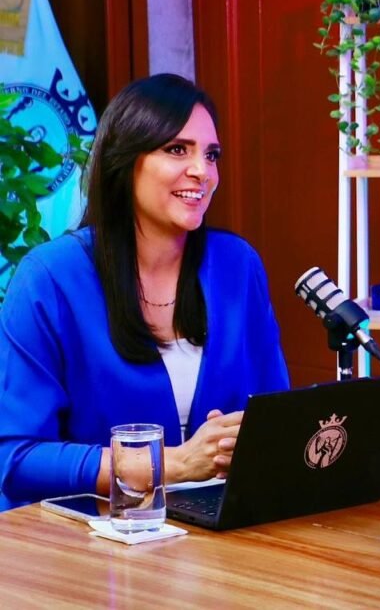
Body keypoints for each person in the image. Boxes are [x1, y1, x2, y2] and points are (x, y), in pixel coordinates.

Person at [0, 74, 289, 510]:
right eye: (177, 150)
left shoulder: (238, 266)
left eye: (211, 155)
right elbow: (16, 458)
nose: (202, 171)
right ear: (125, 160)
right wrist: (171, 464)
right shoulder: (48, 278)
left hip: (223, 529)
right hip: (89, 537)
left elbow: (277, 421)